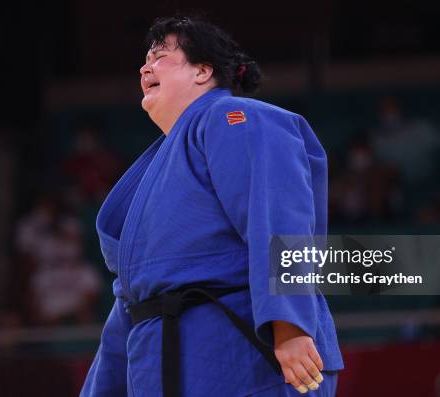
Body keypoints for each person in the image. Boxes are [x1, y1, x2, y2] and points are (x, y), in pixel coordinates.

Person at [80, 16, 343, 397]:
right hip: (166, 366)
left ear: (203, 71)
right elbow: (136, 299)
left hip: (247, 356)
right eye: (145, 59)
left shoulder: (237, 117)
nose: (145, 66)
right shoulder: (152, 169)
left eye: (160, 55)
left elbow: (277, 218)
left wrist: (291, 327)